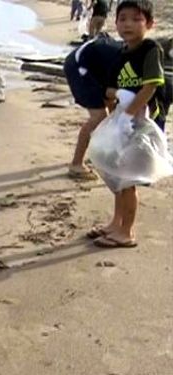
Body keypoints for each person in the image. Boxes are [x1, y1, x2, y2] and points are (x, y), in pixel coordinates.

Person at [89, 0, 166, 248]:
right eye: (122, 19)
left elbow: (151, 86)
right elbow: (112, 89)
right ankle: (116, 223)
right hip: (122, 122)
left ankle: (127, 232)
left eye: (136, 19)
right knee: (117, 175)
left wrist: (128, 116)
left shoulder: (150, 49)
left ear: (150, 24)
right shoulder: (122, 53)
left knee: (129, 180)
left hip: (141, 126)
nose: (128, 24)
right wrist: (115, 109)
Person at [63, 33, 123, 179]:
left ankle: (102, 152)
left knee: (113, 111)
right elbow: (112, 92)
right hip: (79, 67)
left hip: (94, 65)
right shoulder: (127, 64)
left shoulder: (130, 58)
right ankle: (76, 165)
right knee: (99, 117)